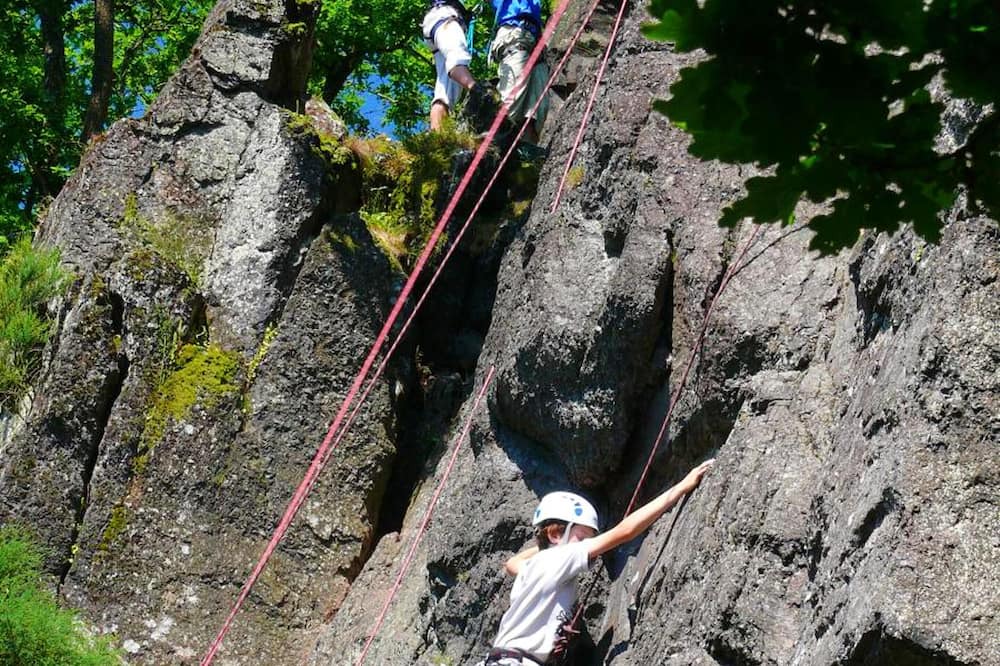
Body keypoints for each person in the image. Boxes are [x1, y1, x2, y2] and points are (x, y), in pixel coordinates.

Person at [479, 459, 716, 665]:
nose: (587, 547)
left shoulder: (535, 567)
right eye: (581, 537)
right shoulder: (559, 558)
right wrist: (682, 486)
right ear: (554, 535)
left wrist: (545, 545)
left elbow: (511, 563)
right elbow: (624, 531)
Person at [489, 0, 549, 148]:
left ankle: (526, 152)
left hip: (535, 42)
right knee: (512, 100)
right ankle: (491, 149)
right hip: (514, 34)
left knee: (538, 110)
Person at [423, 0, 484, 130]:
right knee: (458, 56)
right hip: (445, 19)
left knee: (445, 95)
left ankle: (438, 141)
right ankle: (478, 91)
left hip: (438, 23)